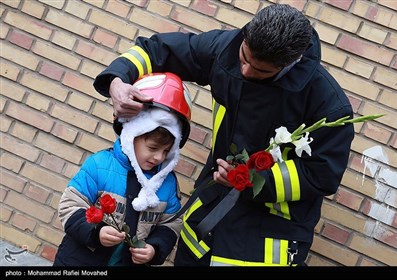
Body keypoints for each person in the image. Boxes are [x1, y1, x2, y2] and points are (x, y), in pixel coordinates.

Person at [93, 4, 355, 266]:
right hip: (206, 221)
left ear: (291, 62)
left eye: (260, 71)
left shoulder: (328, 104)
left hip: (266, 239)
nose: (245, 72)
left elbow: (322, 175)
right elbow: (156, 50)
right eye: (244, 57)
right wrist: (117, 80)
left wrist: (252, 179)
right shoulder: (226, 48)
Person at [53, 72, 192, 266]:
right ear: (130, 135)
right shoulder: (100, 165)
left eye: (167, 151)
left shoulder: (167, 184)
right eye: (152, 148)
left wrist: (154, 248)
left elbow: (171, 225)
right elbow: (70, 206)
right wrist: (96, 232)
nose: (159, 157)